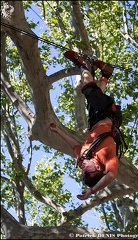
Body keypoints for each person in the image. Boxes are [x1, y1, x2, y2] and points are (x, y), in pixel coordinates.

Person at [50, 50, 118, 200]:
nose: (83, 171)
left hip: (94, 121)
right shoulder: (106, 157)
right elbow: (111, 175)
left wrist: (58, 131)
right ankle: (81, 64)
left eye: (83, 174)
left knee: (96, 93)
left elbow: (74, 146)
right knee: (89, 91)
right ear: (99, 168)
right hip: (110, 115)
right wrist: (92, 191)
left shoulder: (83, 159)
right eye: (87, 173)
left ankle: (106, 74)